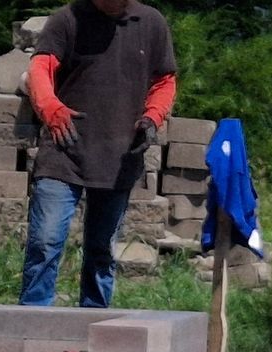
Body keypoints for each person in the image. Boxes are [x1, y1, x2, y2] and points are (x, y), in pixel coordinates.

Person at [19, 0, 177, 308]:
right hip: (64, 147)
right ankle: (33, 321)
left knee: (102, 249)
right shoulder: (67, 19)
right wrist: (50, 107)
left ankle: (92, 321)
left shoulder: (152, 23)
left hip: (119, 155)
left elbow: (164, 81)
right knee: (45, 241)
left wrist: (153, 116)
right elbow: (41, 68)